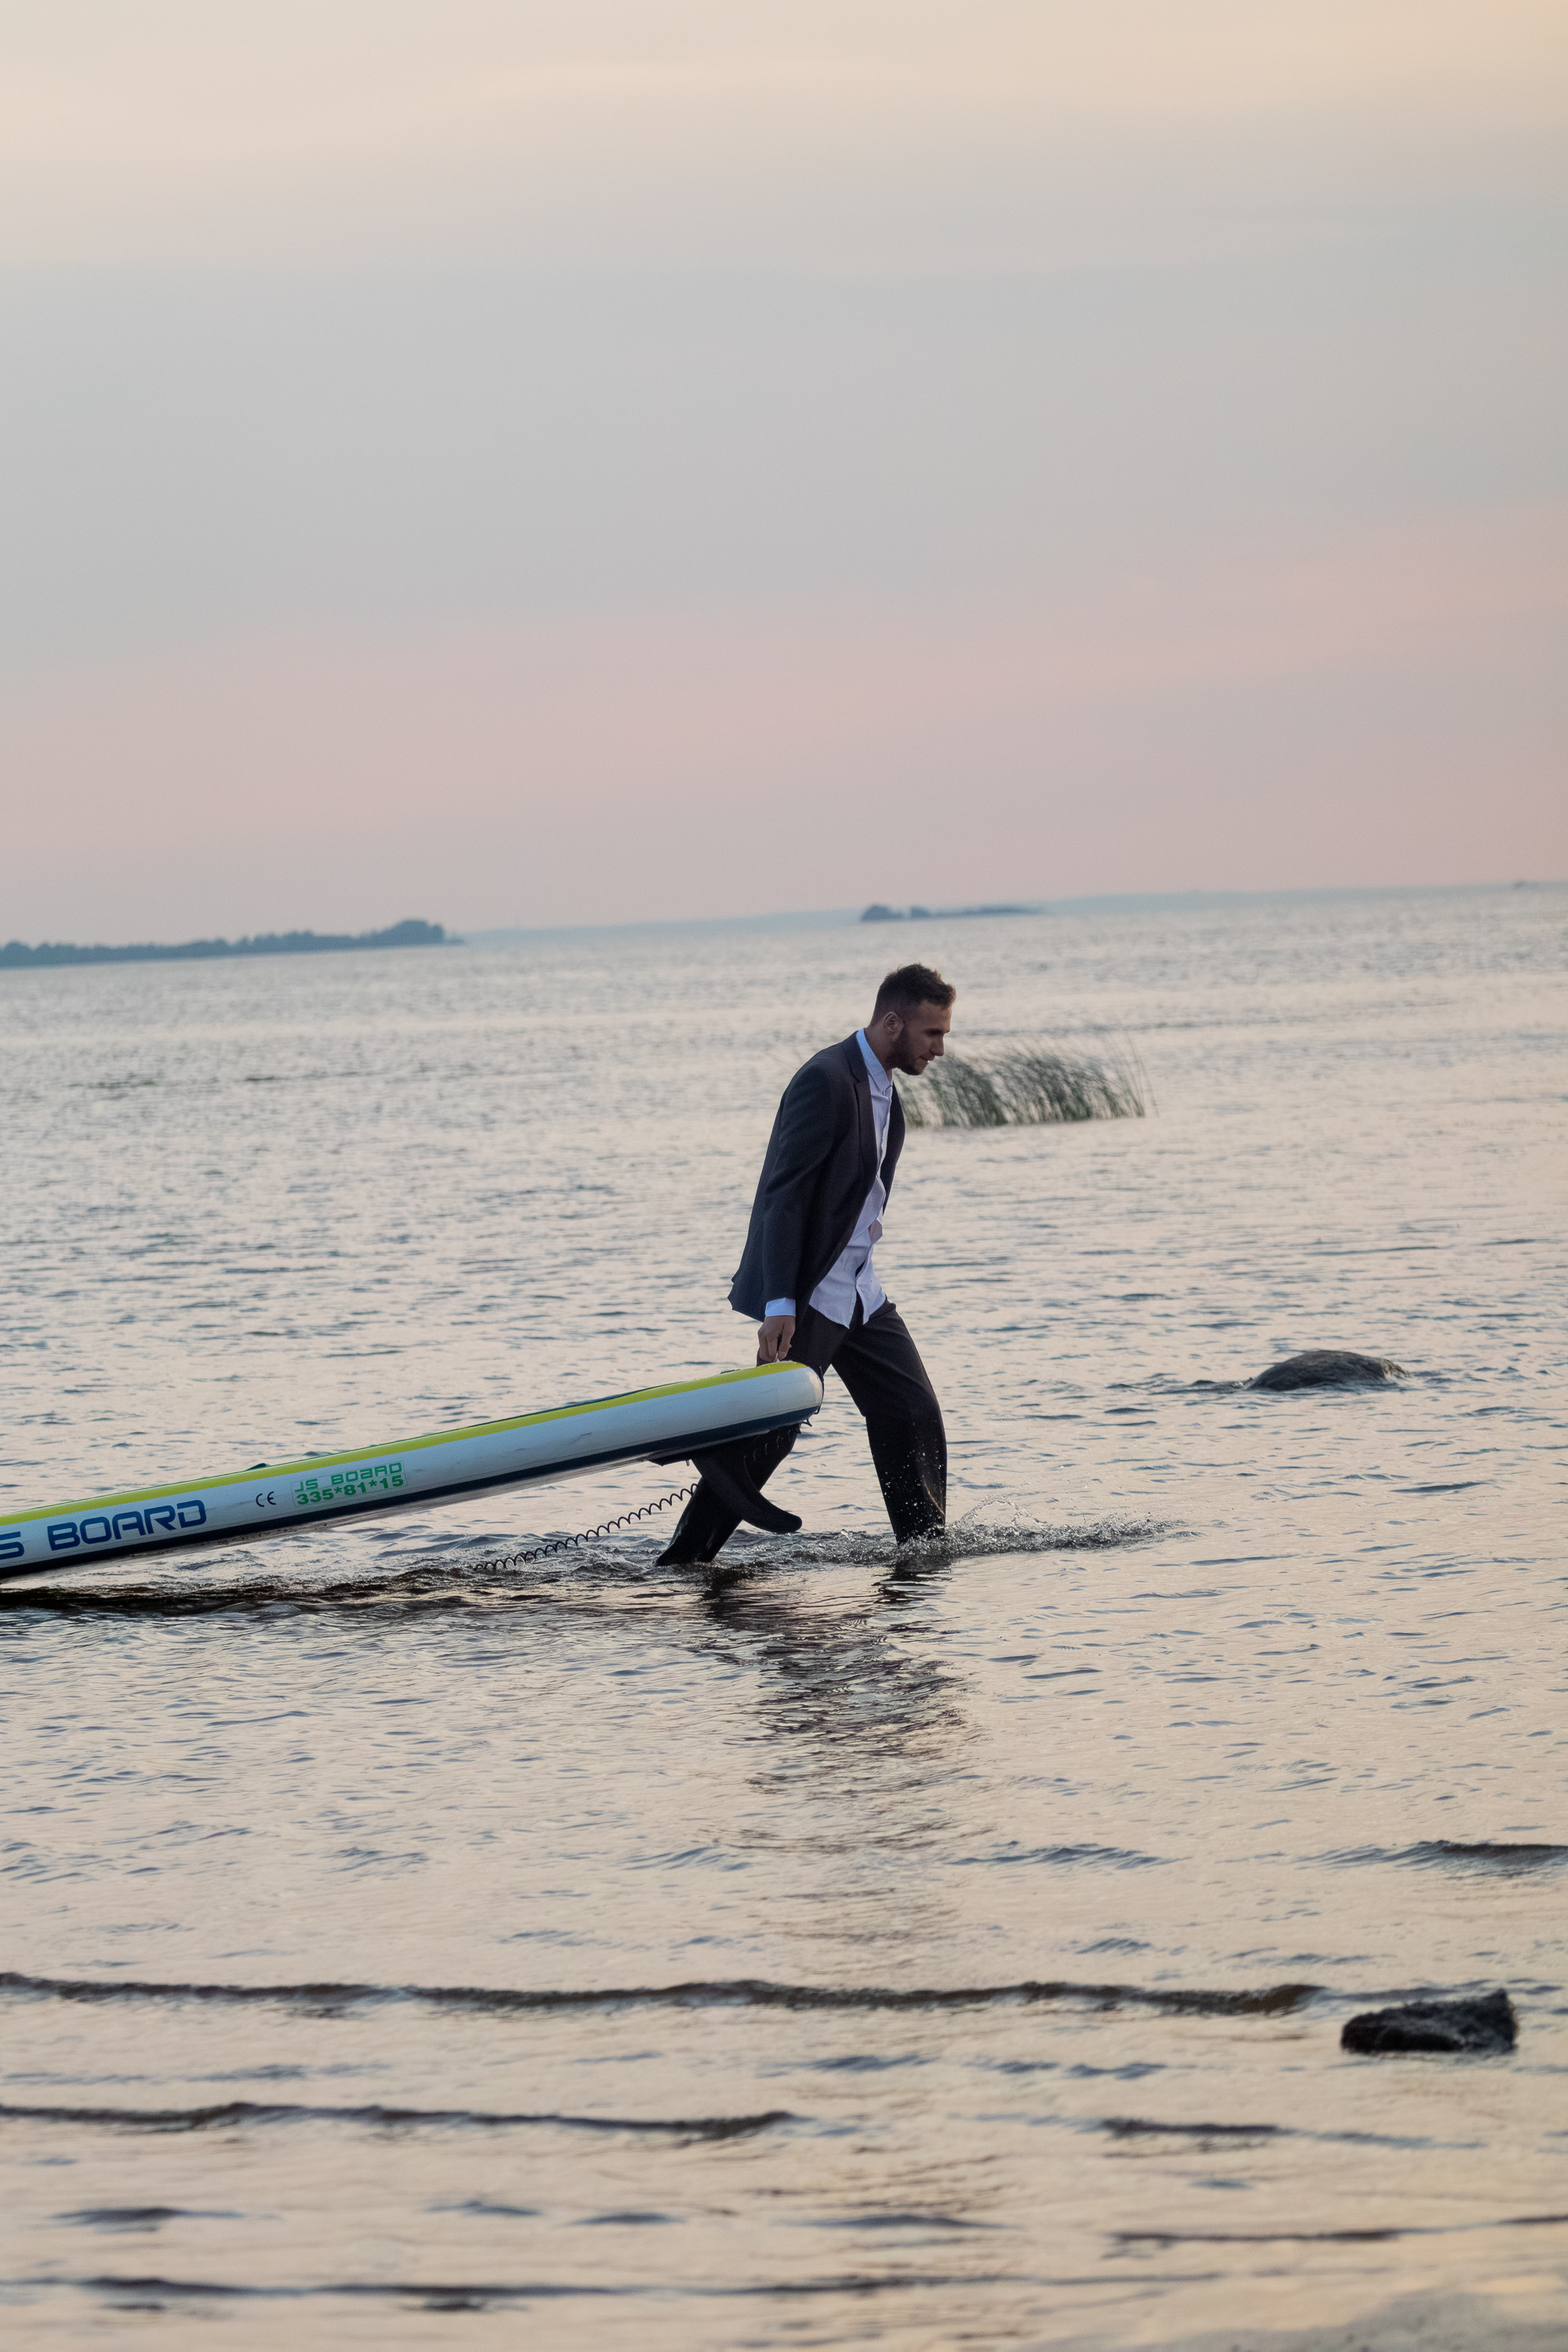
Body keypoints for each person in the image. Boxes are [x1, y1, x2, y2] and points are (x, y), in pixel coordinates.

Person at [659, 963, 955, 1566]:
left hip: (859, 1291)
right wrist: (779, 1303)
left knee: (911, 1409)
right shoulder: (826, 1078)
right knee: (773, 1428)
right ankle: (688, 1558)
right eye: (932, 1034)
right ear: (892, 1022)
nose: (940, 1049)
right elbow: (783, 1195)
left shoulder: (885, 1093)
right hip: (813, 1291)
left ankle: (923, 1551)